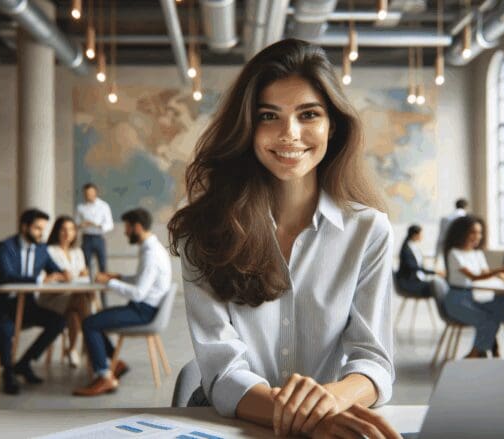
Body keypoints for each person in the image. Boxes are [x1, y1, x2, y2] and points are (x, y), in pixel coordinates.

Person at [168, 39, 400, 439]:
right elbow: (223, 372)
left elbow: (374, 361)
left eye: (308, 114)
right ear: (248, 127)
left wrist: (327, 403)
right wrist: (315, 419)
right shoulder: (203, 230)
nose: (289, 134)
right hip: (231, 425)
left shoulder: (369, 231)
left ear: (332, 125)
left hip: (329, 419)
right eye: (268, 116)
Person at [0, 208, 70, 395]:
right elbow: (5, 276)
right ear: (24, 227)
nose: (41, 233)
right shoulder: (4, 247)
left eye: (43, 229)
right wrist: (40, 280)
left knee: (59, 321)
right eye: (37, 228)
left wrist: (64, 273)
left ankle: (24, 363)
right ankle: (8, 372)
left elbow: (54, 269)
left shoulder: (42, 249)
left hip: (24, 306)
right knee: (6, 327)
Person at [73, 208, 172, 396]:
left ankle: (105, 377)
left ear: (137, 227)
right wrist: (118, 276)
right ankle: (114, 363)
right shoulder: (151, 248)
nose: (125, 232)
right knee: (96, 320)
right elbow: (142, 280)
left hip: (143, 311)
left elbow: (138, 294)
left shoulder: (151, 254)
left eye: (127, 227)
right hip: (145, 308)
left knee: (89, 323)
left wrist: (109, 282)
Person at [443, 215, 504, 358]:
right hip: (456, 300)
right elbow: (474, 277)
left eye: (480, 232)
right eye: (473, 232)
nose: (478, 236)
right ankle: (474, 354)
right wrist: (499, 270)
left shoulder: (477, 254)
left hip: (471, 298)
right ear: (463, 233)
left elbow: (485, 273)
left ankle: (485, 350)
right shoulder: (454, 253)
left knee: (500, 308)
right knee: (486, 321)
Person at [38, 216, 90, 368]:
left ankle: (72, 349)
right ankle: (91, 344)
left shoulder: (77, 252)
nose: (68, 233)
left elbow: (83, 274)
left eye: (71, 229)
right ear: (57, 231)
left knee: (74, 313)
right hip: (52, 298)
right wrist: (59, 276)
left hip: (72, 298)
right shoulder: (49, 250)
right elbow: (42, 277)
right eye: (63, 229)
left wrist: (83, 274)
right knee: (80, 300)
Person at [75, 183, 114, 279]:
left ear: (96, 193)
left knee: (103, 265)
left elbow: (110, 224)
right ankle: (85, 287)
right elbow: (76, 224)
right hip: (86, 237)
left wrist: (98, 225)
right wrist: (81, 225)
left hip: (99, 237)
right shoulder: (80, 207)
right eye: (86, 194)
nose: (88, 196)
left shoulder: (104, 206)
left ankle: (103, 288)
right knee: (85, 265)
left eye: (90, 193)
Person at [394, 224, 440, 297]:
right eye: (421, 234)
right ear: (415, 235)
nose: (422, 236)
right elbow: (414, 267)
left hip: (414, 280)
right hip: (409, 283)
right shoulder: (407, 249)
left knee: (437, 285)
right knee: (437, 287)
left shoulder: (412, 246)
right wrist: (434, 272)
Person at [434, 198, 468, 266]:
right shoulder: (467, 219)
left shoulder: (445, 218)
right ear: (466, 207)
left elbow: (440, 237)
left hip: (448, 249)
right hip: (463, 249)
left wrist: (436, 255)